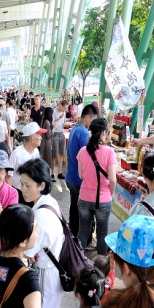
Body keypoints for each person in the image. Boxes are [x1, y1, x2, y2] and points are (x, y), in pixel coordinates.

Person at [18, 158, 64, 308]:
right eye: (21, 184)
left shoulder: (41, 217)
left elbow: (26, 252)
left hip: (46, 275)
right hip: (54, 271)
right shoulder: (48, 203)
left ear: (42, 185)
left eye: (28, 185)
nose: (23, 189)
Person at [77, 118, 117, 255]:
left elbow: (81, 176)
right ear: (104, 133)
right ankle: (101, 265)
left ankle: (78, 262)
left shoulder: (83, 151)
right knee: (102, 234)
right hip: (103, 199)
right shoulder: (109, 152)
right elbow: (112, 179)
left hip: (84, 198)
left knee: (82, 231)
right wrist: (111, 193)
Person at [66, 104, 98, 238]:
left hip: (71, 177)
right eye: (93, 120)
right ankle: (86, 239)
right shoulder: (84, 133)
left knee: (74, 207)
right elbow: (89, 156)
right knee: (85, 212)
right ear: (87, 117)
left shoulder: (75, 129)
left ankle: (73, 233)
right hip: (79, 179)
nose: (93, 123)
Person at [8, 122, 44, 202]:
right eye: (39, 135)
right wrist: (11, 197)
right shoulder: (17, 154)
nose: (41, 138)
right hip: (19, 193)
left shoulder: (36, 151)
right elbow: (8, 177)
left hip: (33, 192)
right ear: (32, 139)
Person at [52, 100, 68, 180]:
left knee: (61, 154)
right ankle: (52, 173)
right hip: (55, 134)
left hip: (61, 133)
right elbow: (52, 124)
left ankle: (60, 172)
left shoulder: (64, 113)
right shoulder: (54, 111)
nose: (65, 110)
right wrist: (59, 118)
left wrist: (66, 124)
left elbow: (63, 123)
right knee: (54, 154)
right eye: (64, 108)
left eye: (66, 109)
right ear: (61, 105)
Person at [39, 107, 54, 178]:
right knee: (47, 161)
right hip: (46, 144)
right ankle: (47, 177)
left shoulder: (44, 121)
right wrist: (53, 129)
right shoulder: (47, 123)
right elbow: (48, 135)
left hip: (44, 144)